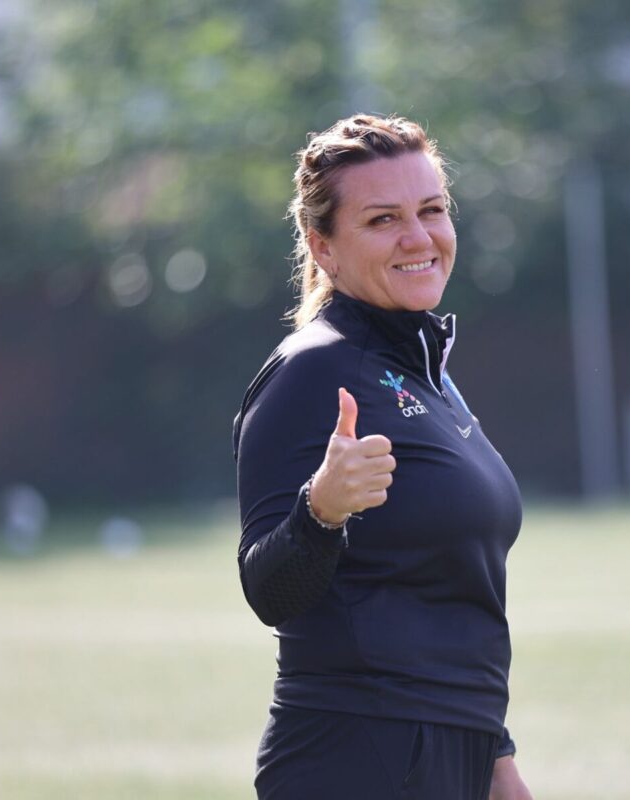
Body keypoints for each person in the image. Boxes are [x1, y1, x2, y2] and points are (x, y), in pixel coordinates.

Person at [232, 114, 533, 800]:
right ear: (324, 247)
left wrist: (495, 756)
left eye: (432, 210)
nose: (418, 237)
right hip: (357, 755)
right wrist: (321, 511)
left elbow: (449, 591)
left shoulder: (424, 371)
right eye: (382, 219)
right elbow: (268, 592)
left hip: (455, 747)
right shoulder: (311, 373)